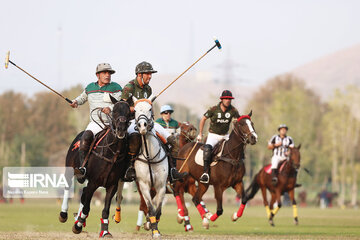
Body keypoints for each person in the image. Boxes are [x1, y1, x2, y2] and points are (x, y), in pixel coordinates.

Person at [121, 61, 188, 182]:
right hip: (132, 121)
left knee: (173, 141)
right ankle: (130, 168)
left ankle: (172, 170)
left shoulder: (148, 89)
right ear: (139, 74)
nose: (150, 76)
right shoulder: (129, 87)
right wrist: (138, 107)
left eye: (151, 74)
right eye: (147, 74)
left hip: (148, 122)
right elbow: (122, 107)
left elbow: (150, 109)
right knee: (134, 139)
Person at [70, 63, 122, 178]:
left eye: (109, 73)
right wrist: (75, 102)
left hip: (113, 124)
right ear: (98, 75)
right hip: (96, 123)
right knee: (85, 137)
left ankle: (128, 168)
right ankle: (82, 168)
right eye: (105, 73)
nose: (108, 75)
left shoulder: (116, 88)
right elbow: (82, 98)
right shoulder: (90, 88)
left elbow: (121, 104)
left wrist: (111, 109)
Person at [197, 90, 240, 183]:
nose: (228, 100)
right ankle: (205, 173)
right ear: (222, 99)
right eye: (226, 99)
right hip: (213, 135)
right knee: (207, 149)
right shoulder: (213, 109)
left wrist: (236, 122)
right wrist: (200, 133)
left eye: (230, 99)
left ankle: (236, 172)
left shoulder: (233, 110)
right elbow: (203, 119)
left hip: (225, 136)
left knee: (237, 148)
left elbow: (238, 120)